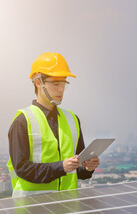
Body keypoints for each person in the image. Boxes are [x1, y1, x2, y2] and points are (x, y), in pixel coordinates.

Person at [7, 52, 100, 198]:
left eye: (64, 83)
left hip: (68, 208)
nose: (61, 89)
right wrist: (61, 167)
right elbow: (22, 169)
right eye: (56, 83)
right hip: (33, 210)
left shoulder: (72, 119)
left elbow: (79, 171)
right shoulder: (22, 121)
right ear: (38, 83)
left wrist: (88, 168)